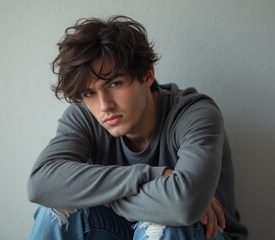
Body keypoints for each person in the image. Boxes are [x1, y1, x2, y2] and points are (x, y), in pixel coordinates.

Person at [27, 15, 248, 240]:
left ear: (147, 75)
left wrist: (91, 193)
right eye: (89, 93)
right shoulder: (84, 117)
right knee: (56, 210)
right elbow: (41, 184)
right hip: (120, 230)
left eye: (114, 84)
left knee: (170, 221)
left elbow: (183, 206)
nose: (104, 106)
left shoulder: (194, 114)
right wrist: (155, 177)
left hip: (201, 234)